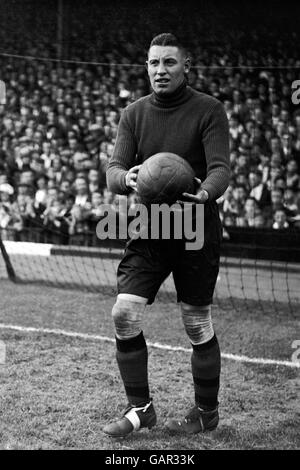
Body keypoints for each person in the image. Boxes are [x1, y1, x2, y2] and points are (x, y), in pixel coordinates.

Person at [104, 33, 230, 437]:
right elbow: (113, 170)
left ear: (186, 66)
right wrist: (128, 177)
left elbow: (221, 169)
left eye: (169, 63)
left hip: (195, 226)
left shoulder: (209, 109)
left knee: (196, 322)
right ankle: (140, 408)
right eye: (154, 63)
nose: (160, 70)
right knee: (124, 312)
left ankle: (206, 412)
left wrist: (205, 192)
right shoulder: (133, 113)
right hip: (150, 226)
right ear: (146, 67)